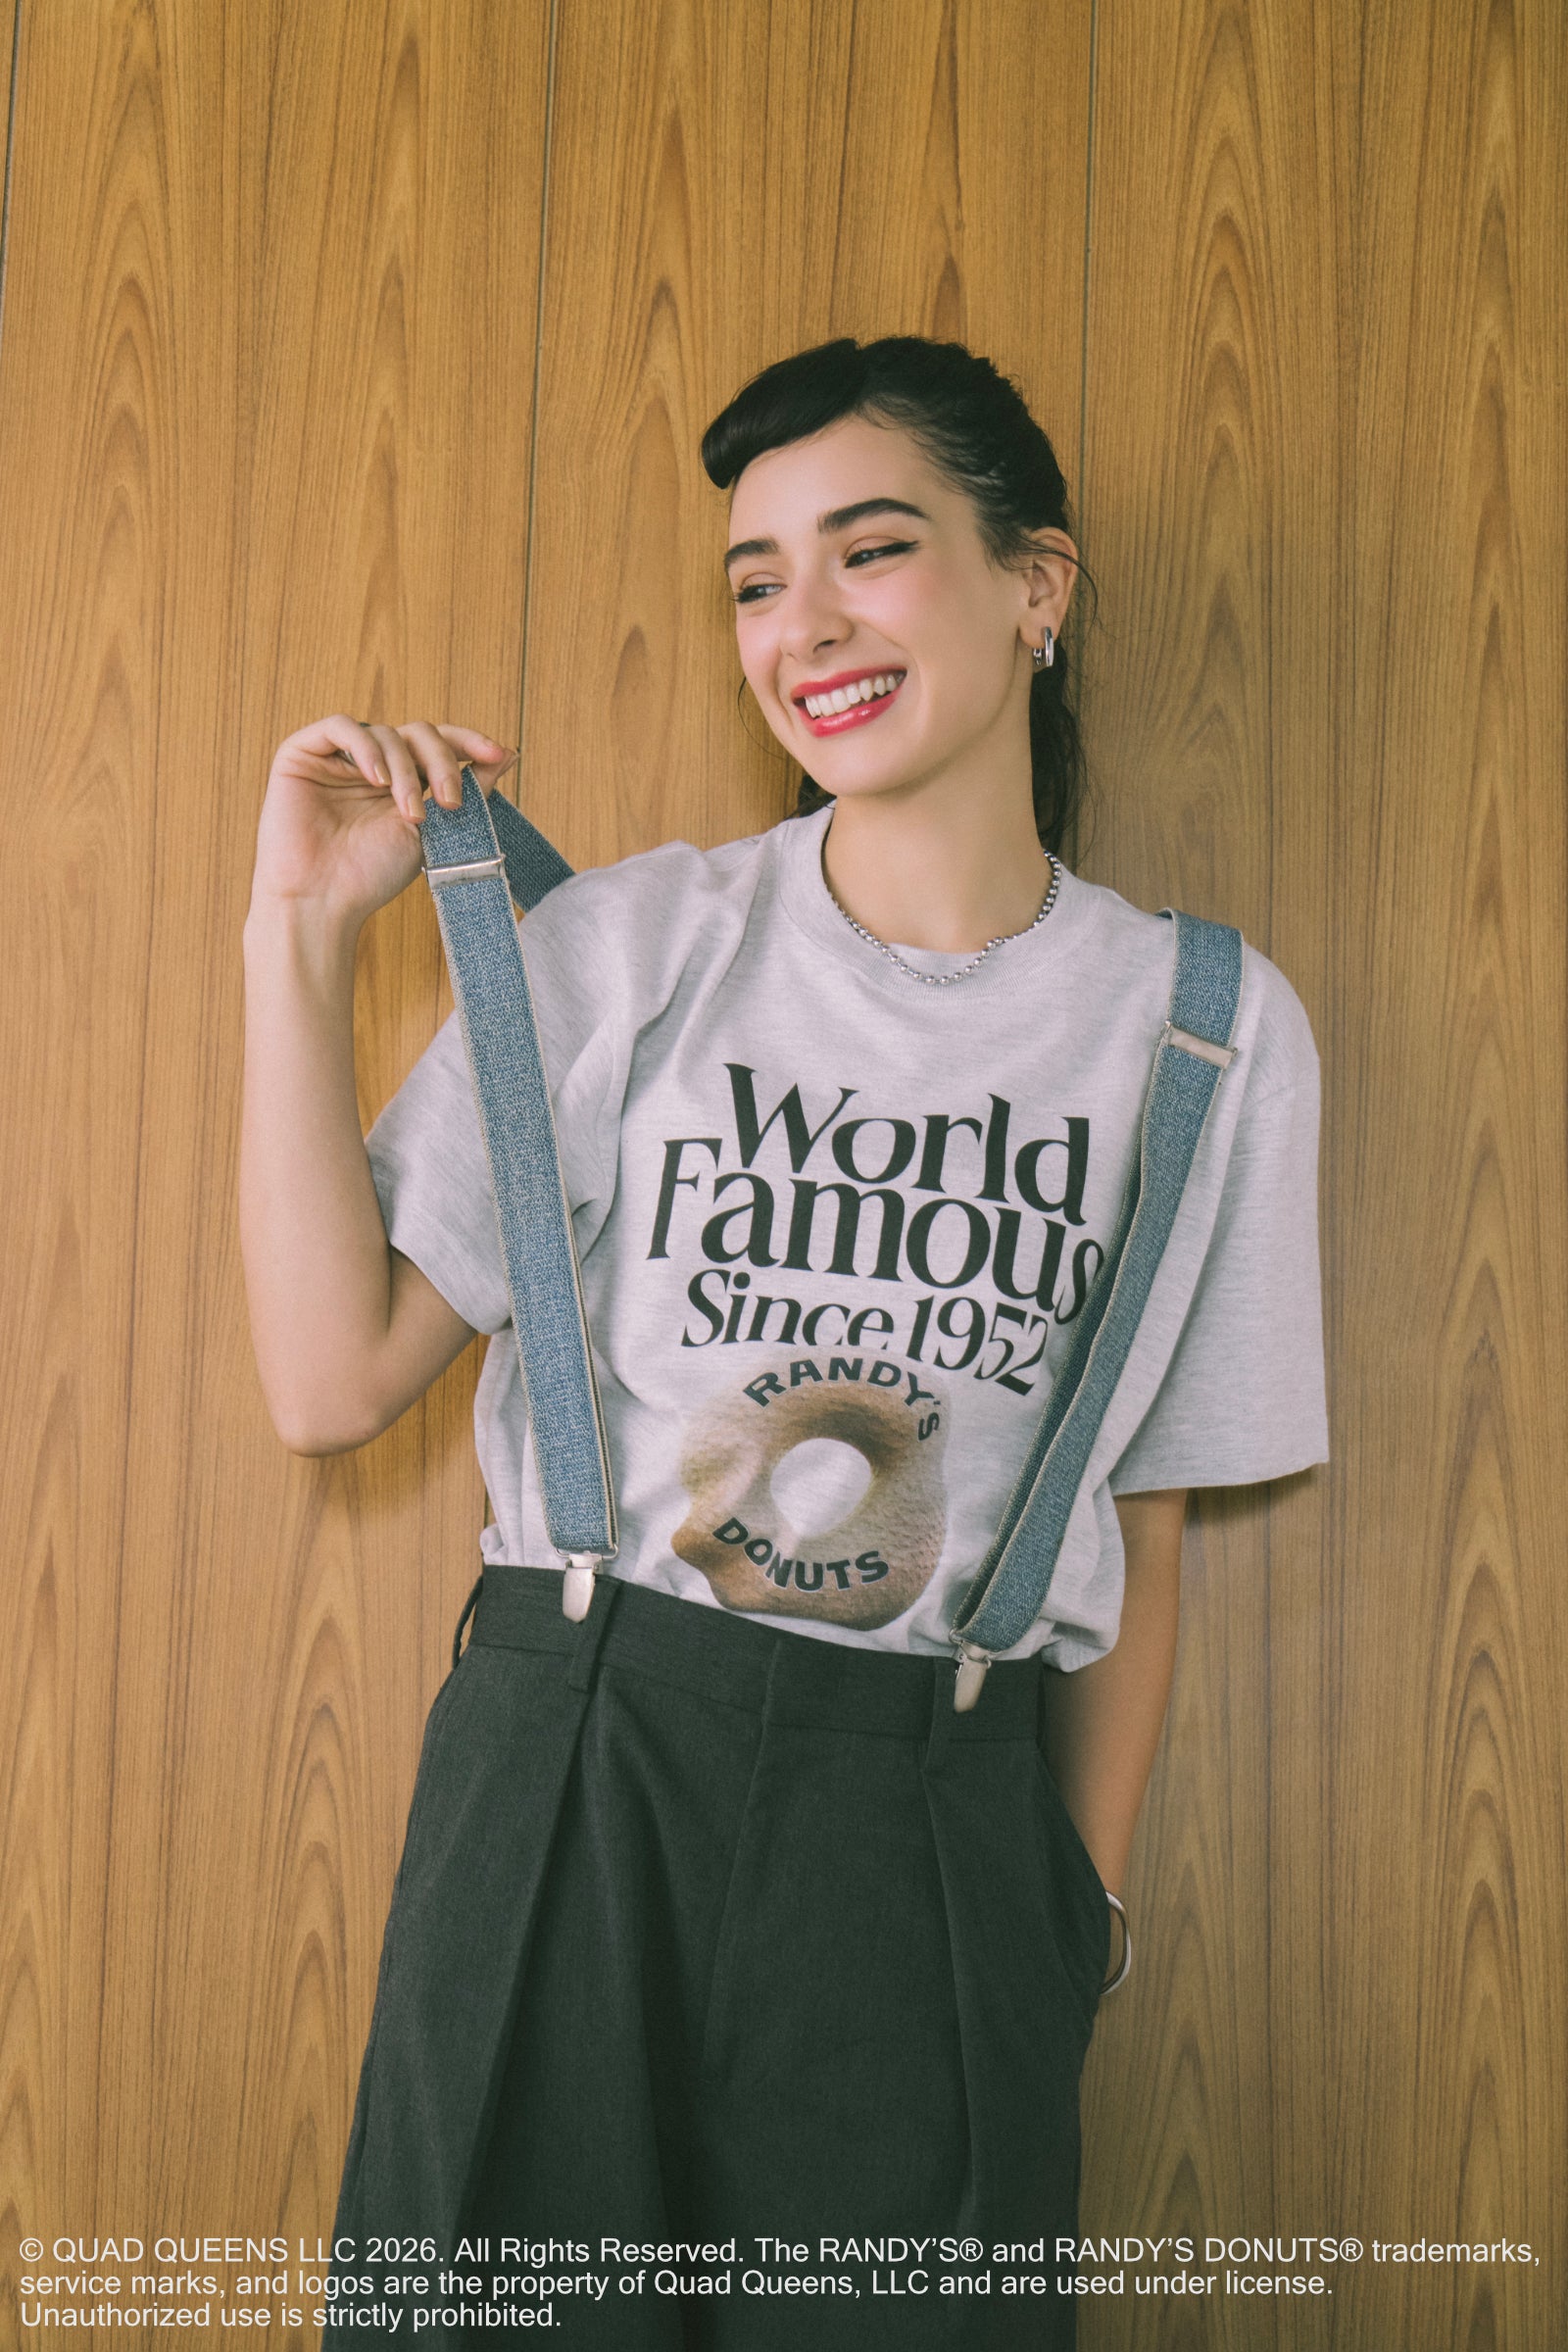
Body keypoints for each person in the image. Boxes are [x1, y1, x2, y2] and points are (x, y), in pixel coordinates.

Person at [240, 336, 1328, 2347]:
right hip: (575, 1769)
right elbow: (329, 1379)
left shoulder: (1207, 1027)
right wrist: (297, 943)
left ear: (1036, 584)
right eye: (756, 579)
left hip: (937, 1825)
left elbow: (1147, 1518)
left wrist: (1067, 1919)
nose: (801, 623)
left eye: (870, 551)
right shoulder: (631, 947)